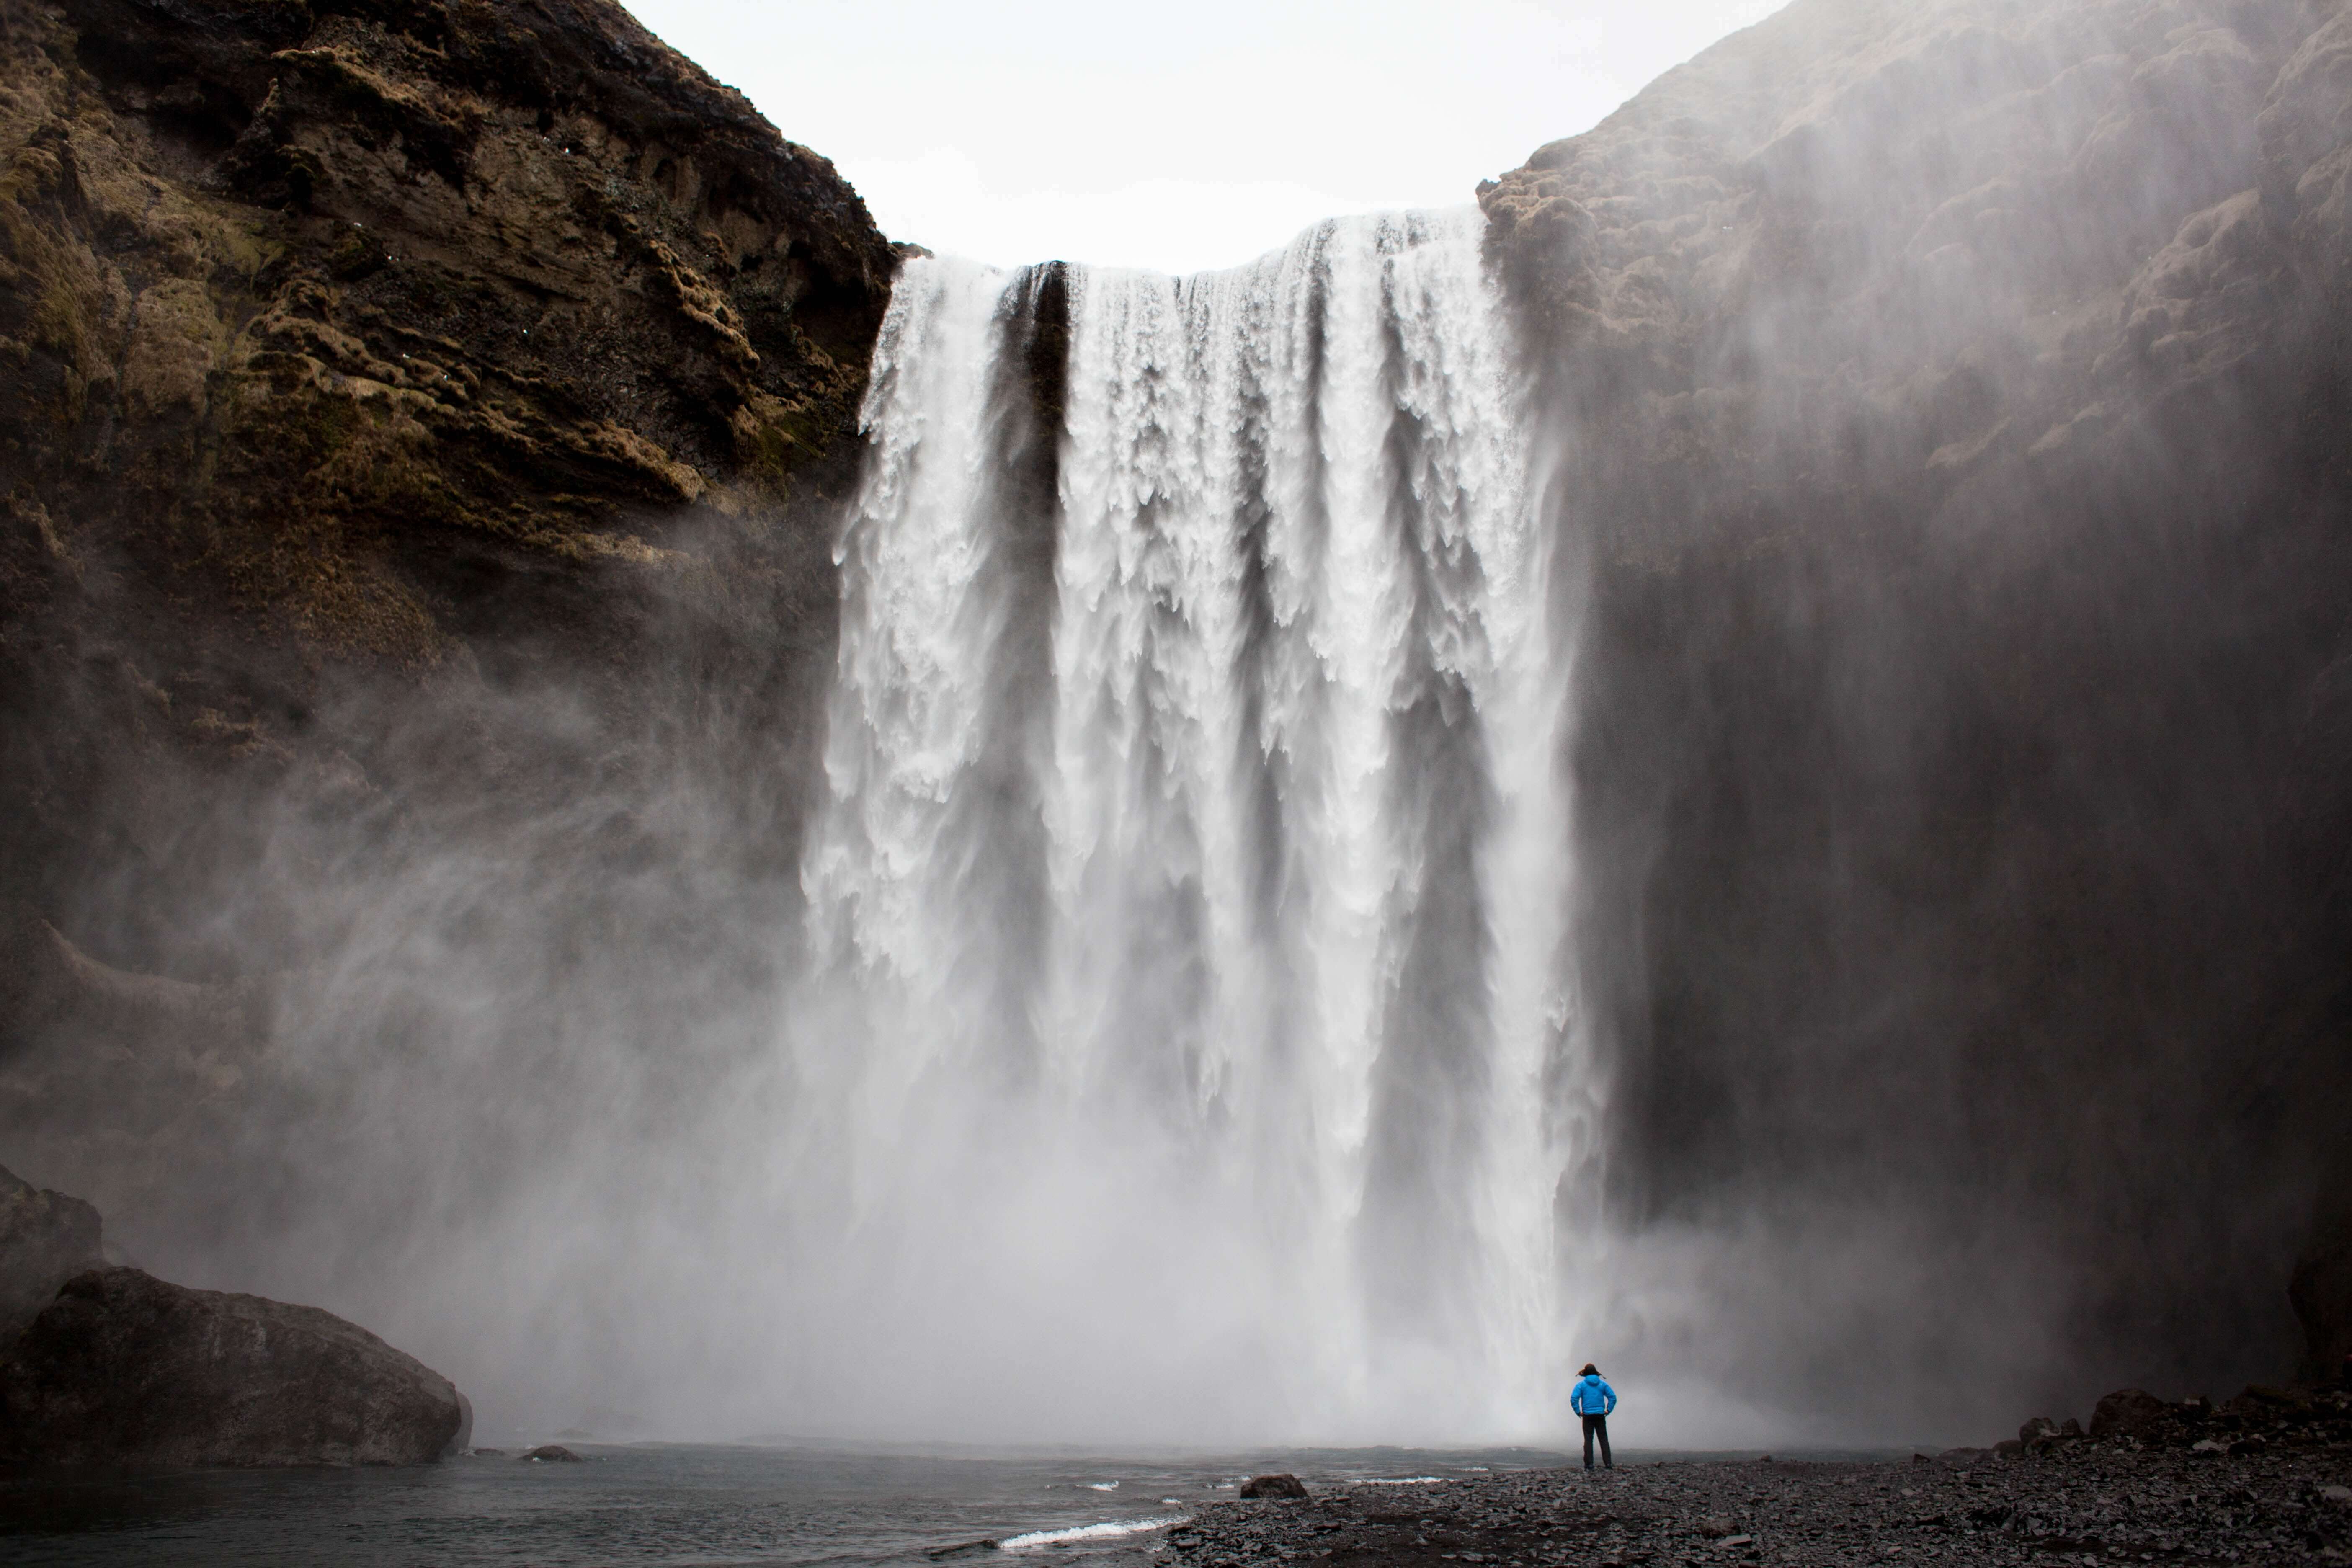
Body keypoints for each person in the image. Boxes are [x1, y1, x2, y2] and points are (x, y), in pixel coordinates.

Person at [1571, 1362, 1617, 1471]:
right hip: (1600, 1415)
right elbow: (1613, 1397)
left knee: (1588, 1440)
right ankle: (1608, 1464)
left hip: (1587, 1416)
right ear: (1596, 1372)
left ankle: (1589, 1465)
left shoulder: (1581, 1385)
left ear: (1585, 1373)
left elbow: (1574, 1399)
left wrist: (1578, 1412)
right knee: (1604, 1439)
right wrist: (1608, 1410)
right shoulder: (1602, 1385)